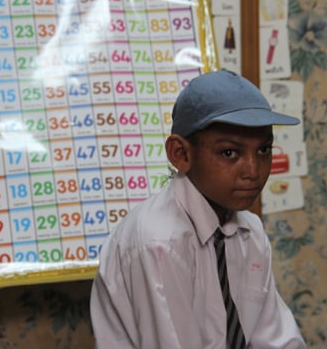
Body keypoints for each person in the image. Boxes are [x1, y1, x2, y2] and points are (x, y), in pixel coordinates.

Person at [90, 69, 307, 349]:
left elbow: (276, 338)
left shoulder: (249, 232)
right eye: (230, 153)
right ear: (181, 154)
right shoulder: (159, 242)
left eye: (264, 150)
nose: (253, 171)